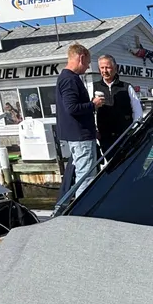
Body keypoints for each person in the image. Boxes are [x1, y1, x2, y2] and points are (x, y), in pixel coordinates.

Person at [56, 43, 104, 196]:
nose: (88, 67)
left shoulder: (65, 78)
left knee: (82, 173)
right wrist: (93, 104)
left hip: (76, 134)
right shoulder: (70, 79)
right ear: (81, 58)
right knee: (87, 176)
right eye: (88, 63)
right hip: (80, 136)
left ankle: (78, 207)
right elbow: (72, 108)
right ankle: (82, 212)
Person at [93, 54, 143, 155]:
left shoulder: (126, 87)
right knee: (110, 166)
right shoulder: (94, 87)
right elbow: (89, 112)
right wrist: (94, 130)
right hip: (105, 136)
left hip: (125, 136)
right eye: (102, 68)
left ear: (115, 68)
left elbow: (137, 110)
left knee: (127, 163)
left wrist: (134, 130)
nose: (105, 71)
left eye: (108, 67)